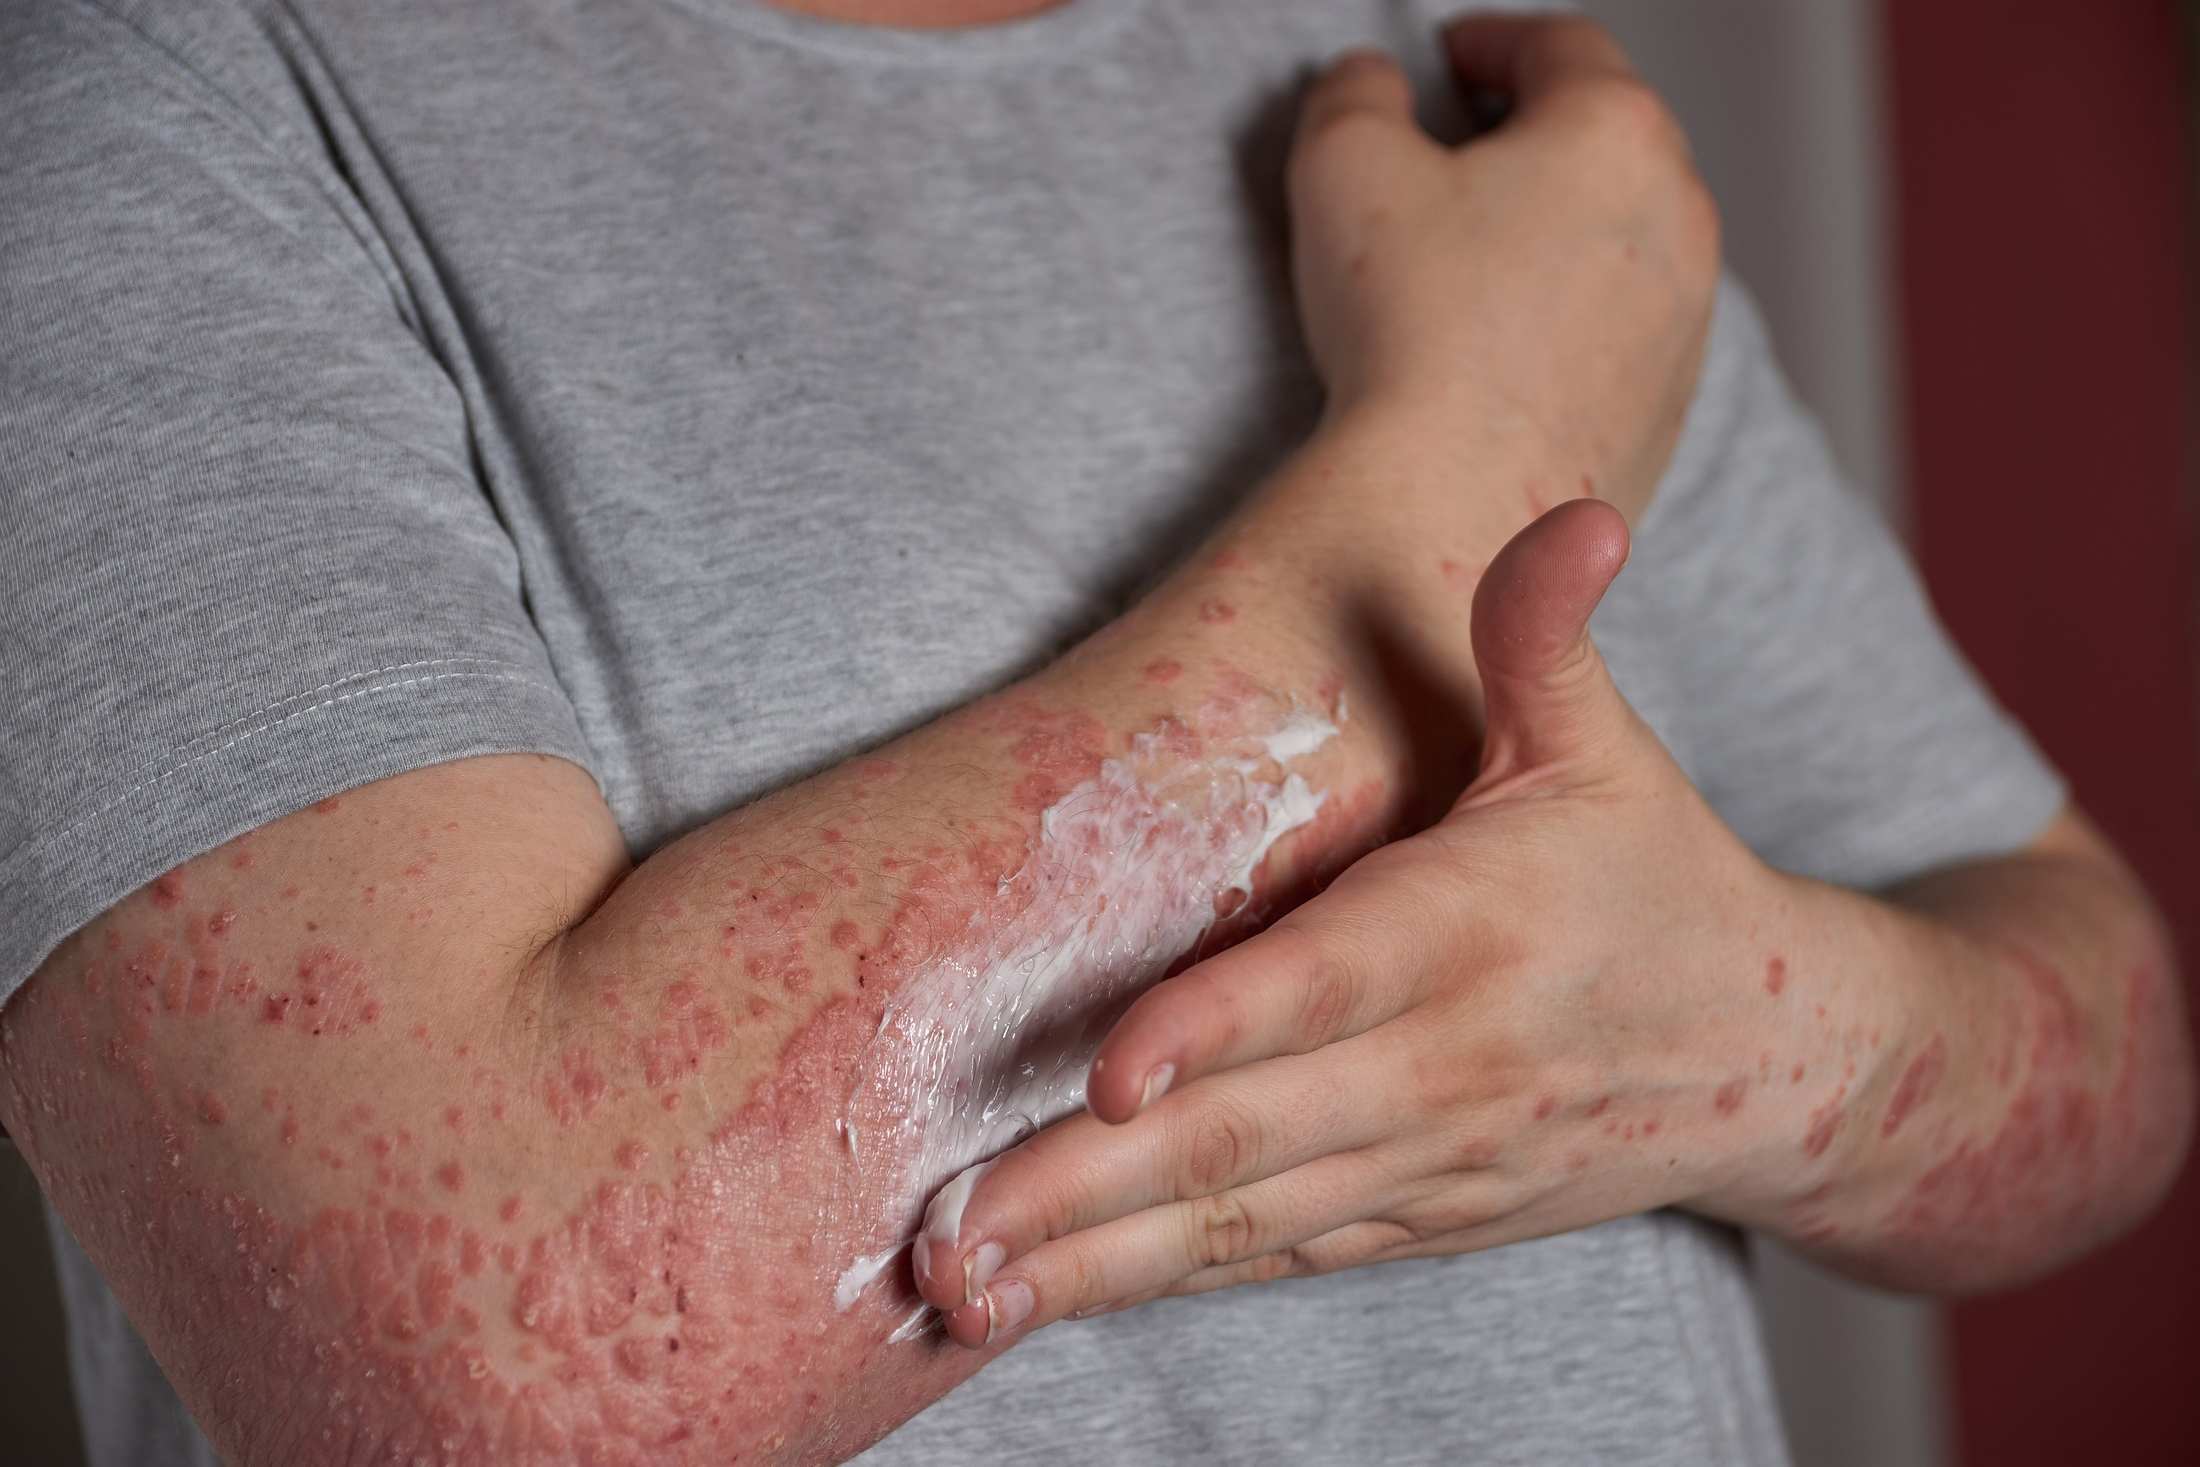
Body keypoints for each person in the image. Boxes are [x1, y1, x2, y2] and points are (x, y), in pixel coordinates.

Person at [0, 1, 2188, 1463]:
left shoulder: (1395, 98)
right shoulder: (145, 111)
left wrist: (1763, 1046)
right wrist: (1478, 438)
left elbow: (2100, 1031)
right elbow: (498, 1370)